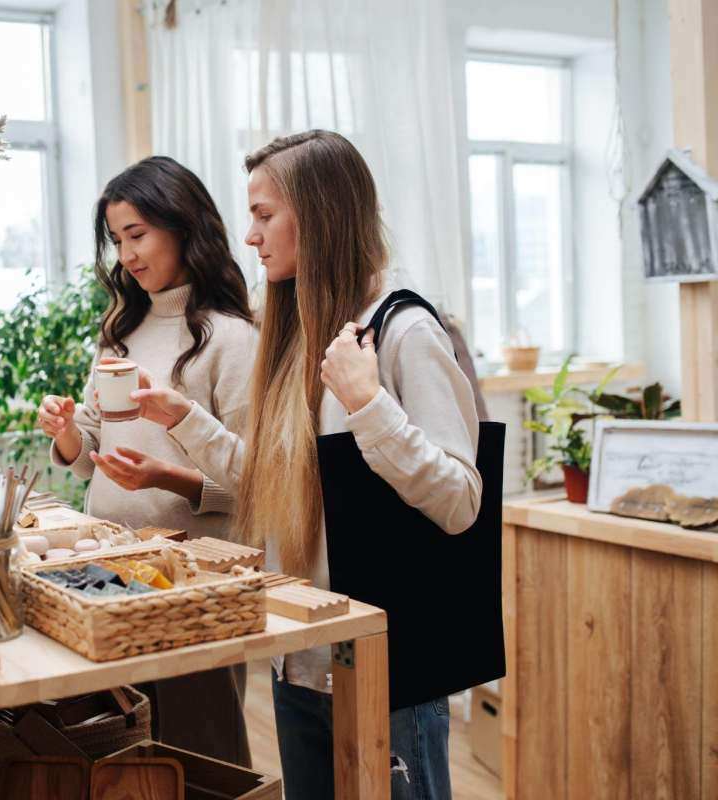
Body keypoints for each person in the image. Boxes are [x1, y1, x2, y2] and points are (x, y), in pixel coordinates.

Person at [121, 131, 483, 799]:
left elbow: (461, 499)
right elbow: (274, 482)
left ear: (319, 215)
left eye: (264, 215)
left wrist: (367, 401)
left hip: (390, 670)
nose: (251, 237)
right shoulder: (295, 339)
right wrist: (184, 418)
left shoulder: (404, 332)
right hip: (303, 658)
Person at [38, 155, 258, 767]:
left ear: (184, 227)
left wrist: (164, 475)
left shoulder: (230, 337)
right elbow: (88, 454)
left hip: (193, 577)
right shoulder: (120, 329)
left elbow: (254, 478)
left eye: (137, 235)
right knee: (125, 742)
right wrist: (66, 433)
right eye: (117, 240)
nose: (127, 255)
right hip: (107, 566)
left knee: (203, 746)